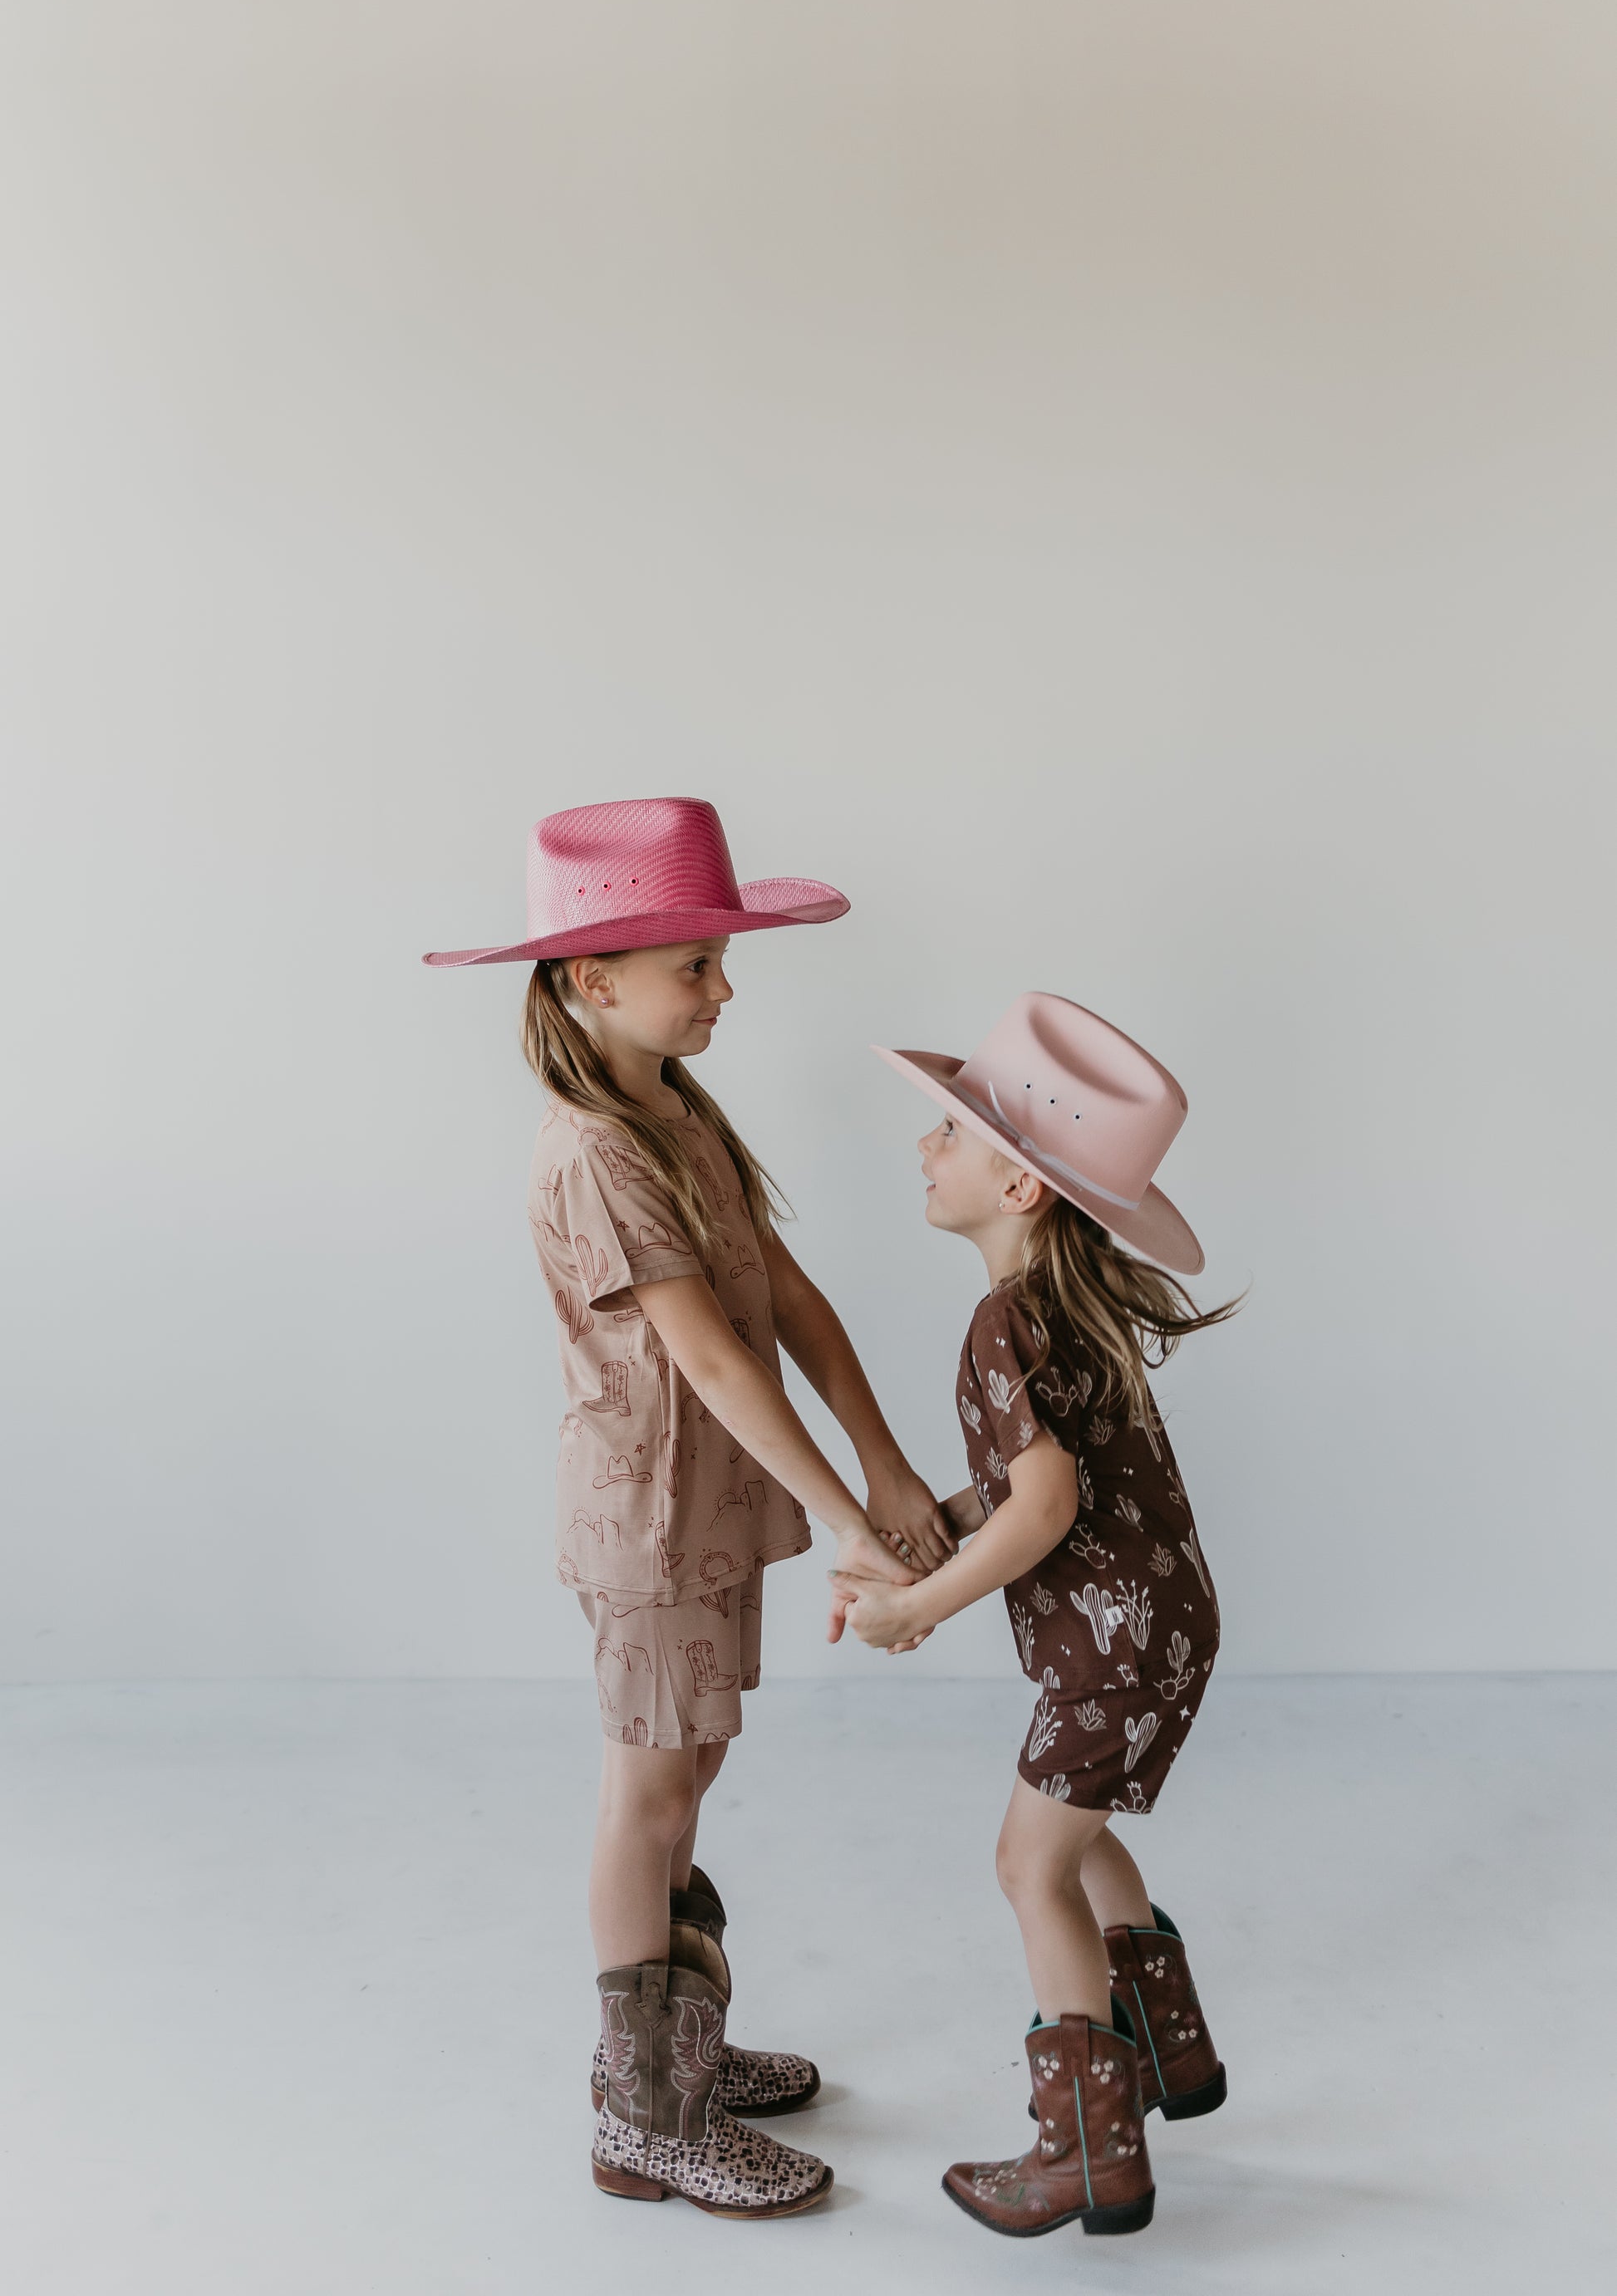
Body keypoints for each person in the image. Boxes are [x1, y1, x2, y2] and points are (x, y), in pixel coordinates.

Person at [425, 796, 949, 2218]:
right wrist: (848, 1518)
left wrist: (885, 1463)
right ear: (593, 979)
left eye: (720, 961)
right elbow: (708, 1356)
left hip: (714, 1505)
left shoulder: (675, 1108)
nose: (724, 988)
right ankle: (647, 2113)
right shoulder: (594, 1149)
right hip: (651, 1521)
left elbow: (782, 1299)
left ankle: (679, 2047)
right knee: (648, 1793)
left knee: (691, 1775)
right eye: (697, 966)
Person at [833, 992, 1238, 2240]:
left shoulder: (1001, 1320)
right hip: (1160, 1629)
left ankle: (1083, 2155)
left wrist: (919, 1608)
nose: (922, 1148)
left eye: (950, 1134)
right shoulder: (1065, 1308)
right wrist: (940, 1526)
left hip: (1109, 1653)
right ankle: (1168, 2056)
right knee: (1077, 1836)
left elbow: (1047, 1504)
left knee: (1027, 1865)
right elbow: (1037, 1477)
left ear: (1018, 1190)